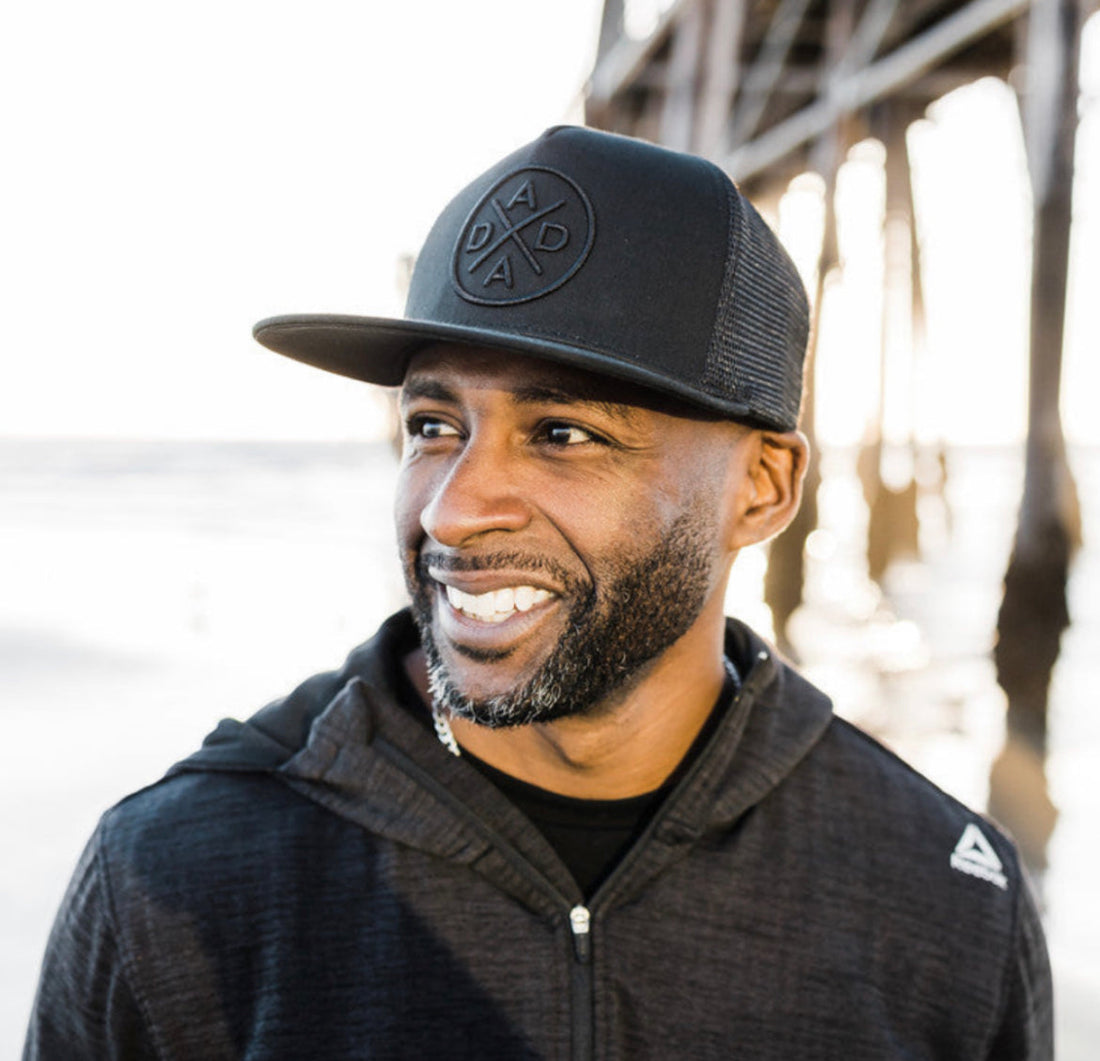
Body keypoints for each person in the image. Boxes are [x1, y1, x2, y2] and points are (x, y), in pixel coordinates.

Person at [25, 126, 1051, 1059]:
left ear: (762, 487)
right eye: (433, 426)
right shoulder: (177, 875)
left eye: (562, 433)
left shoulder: (940, 903)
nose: (453, 511)